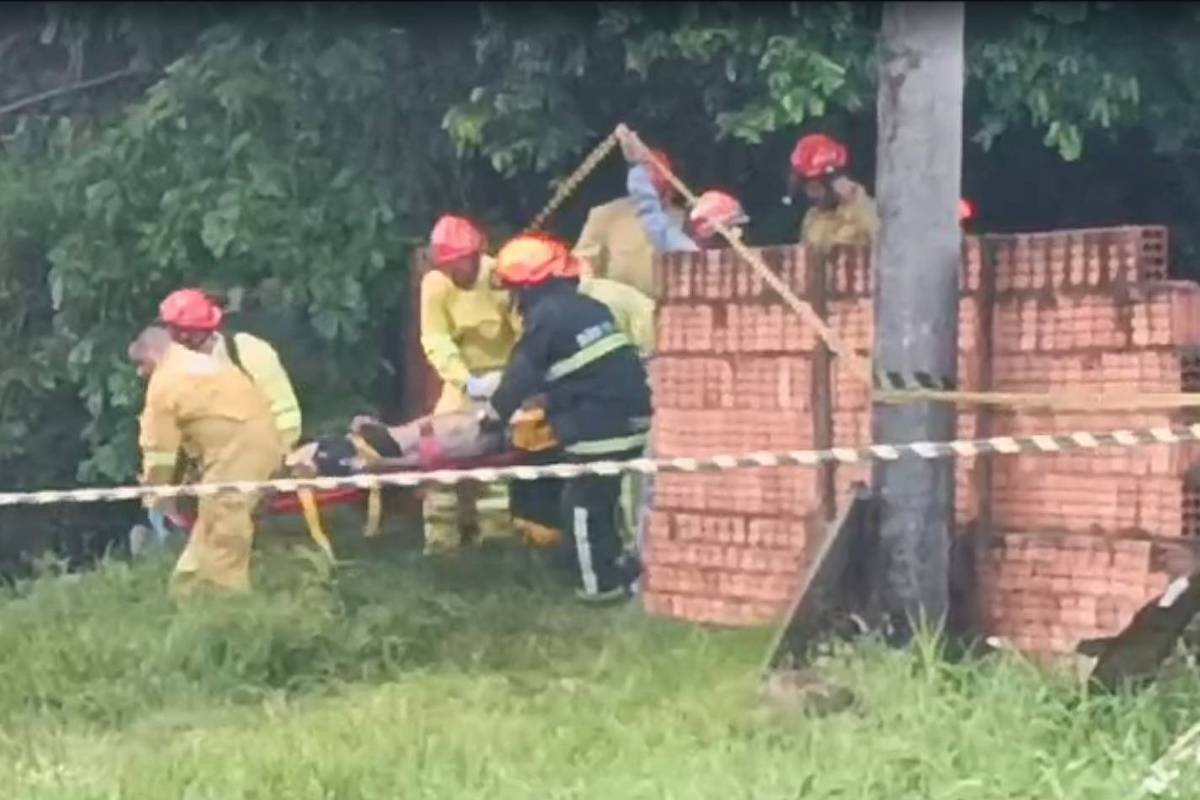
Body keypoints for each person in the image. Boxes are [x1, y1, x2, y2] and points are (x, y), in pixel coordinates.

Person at [481, 233, 652, 603]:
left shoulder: (546, 317)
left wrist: (492, 418)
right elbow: (581, 370)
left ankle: (597, 589)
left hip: (599, 426)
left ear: (527, 288)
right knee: (603, 500)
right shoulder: (588, 308)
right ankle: (617, 570)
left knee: (581, 506)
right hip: (632, 418)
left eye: (513, 290)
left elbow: (520, 374)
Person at [130, 326, 283, 595]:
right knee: (211, 520)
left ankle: (227, 601)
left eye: (140, 363)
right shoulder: (205, 363)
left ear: (154, 352)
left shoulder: (164, 383)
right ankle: (186, 591)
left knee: (225, 527)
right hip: (262, 444)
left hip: (237, 455)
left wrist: (156, 493)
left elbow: (159, 453)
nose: (139, 373)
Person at [419, 214, 520, 555]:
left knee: (497, 463)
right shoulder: (436, 284)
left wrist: (512, 380)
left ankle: (495, 542)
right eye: (445, 266)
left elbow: (522, 331)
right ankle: (440, 542)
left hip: (505, 379)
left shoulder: (500, 278)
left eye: (456, 265)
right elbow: (435, 338)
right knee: (440, 455)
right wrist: (466, 381)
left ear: (475, 256)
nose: (452, 273)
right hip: (463, 381)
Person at [158, 288, 303, 450]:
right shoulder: (172, 368)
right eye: (177, 329)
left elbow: (284, 409)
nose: (184, 337)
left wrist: (281, 449)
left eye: (189, 329)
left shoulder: (248, 350)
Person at [573, 141, 686, 299]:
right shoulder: (607, 214)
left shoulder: (683, 219)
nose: (652, 175)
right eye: (647, 168)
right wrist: (593, 297)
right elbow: (584, 261)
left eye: (659, 169)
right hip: (617, 310)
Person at [788, 133, 879, 249]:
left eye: (815, 188)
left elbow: (878, 236)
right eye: (806, 187)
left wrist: (855, 199)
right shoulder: (812, 218)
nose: (810, 195)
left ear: (834, 180)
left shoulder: (863, 212)